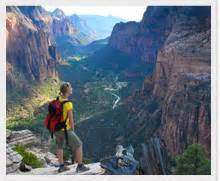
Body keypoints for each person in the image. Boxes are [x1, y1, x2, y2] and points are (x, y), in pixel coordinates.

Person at [54, 82, 90, 173]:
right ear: (67, 91)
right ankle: (80, 166)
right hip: (65, 130)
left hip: (56, 128)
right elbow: (71, 119)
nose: (72, 89)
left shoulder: (58, 99)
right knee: (79, 144)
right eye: (71, 87)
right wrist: (73, 130)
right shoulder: (68, 104)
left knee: (59, 146)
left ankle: (61, 166)